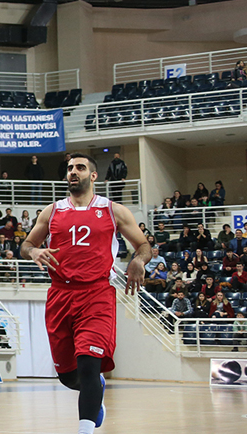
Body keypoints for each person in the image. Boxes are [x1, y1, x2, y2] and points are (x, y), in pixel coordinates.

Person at [20, 153, 150, 434]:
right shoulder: (52, 211)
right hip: (60, 296)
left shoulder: (113, 210)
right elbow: (27, 243)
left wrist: (138, 261)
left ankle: (85, 429)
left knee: (89, 366)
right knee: (69, 377)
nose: (72, 172)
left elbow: (144, 246)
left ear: (93, 176)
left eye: (80, 167)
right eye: (69, 168)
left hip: (96, 295)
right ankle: (96, 391)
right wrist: (34, 251)